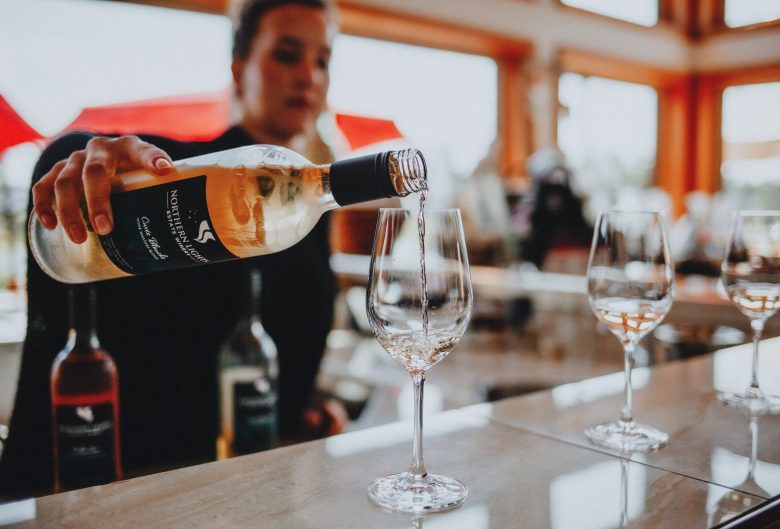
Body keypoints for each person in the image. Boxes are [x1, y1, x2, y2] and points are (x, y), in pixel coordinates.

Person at [0, 0, 346, 498]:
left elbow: (280, 346)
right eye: (287, 55)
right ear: (239, 70)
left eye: (322, 61)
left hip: (251, 495)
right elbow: (69, 156)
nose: (308, 77)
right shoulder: (186, 176)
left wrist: (309, 405)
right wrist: (82, 158)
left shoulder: (310, 213)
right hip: (131, 496)